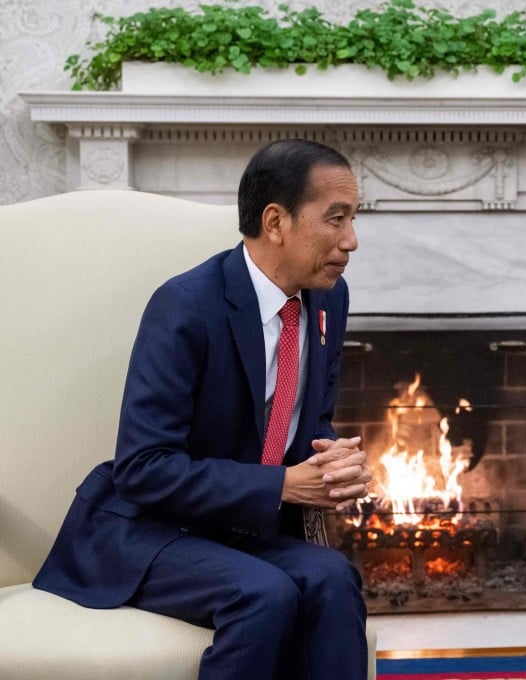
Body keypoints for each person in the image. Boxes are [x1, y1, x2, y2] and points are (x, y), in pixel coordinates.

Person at [34, 139, 372, 680]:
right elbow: (143, 468)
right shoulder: (186, 305)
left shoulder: (330, 296)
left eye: (353, 218)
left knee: (333, 578)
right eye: (336, 219)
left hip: (241, 527)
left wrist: (330, 459)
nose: (351, 239)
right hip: (150, 529)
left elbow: (310, 419)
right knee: (263, 594)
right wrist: (284, 485)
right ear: (275, 222)